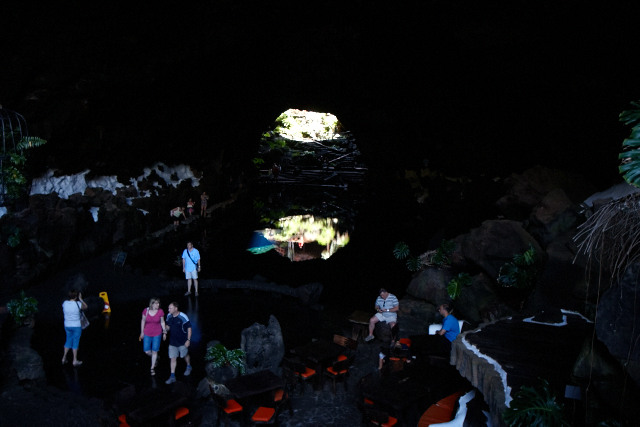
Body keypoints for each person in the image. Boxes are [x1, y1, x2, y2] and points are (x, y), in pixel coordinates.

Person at [165, 302, 192, 384]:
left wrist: (188, 340)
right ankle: (172, 376)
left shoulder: (183, 317)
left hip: (182, 341)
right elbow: (168, 326)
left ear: (175, 308)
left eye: (170, 308)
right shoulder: (168, 316)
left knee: (185, 355)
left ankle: (188, 366)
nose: (168, 310)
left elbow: (189, 328)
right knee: (173, 358)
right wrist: (165, 328)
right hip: (172, 342)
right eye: (168, 308)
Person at [139, 297, 167, 376]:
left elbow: (162, 322)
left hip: (157, 333)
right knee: (147, 351)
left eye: (158, 303)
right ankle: (156, 357)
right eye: (155, 303)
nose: (157, 305)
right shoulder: (146, 311)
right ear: (151, 304)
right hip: (147, 333)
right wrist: (142, 332)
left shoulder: (160, 311)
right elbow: (143, 320)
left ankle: (152, 368)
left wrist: (164, 331)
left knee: (155, 350)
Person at [62, 289, 88, 367]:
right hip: (76, 326)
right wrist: (81, 299)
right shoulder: (78, 304)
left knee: (68, 340)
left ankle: (64, 358)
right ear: (76, 296)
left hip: (67, 325)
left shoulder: (65, 303)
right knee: (75, 342)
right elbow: (85, 307)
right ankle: (74, 360)